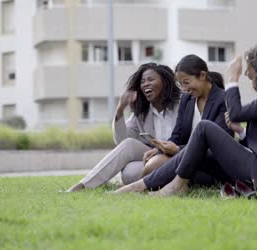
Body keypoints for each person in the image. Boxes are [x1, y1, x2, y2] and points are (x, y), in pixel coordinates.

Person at [115, 39, 257, 195]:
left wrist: (232, 78)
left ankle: (172, 186)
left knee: (204, 127)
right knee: (194, 150)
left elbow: (236, 112)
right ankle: (142, 186)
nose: (247, 74)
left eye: (251, 68)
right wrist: (241, 131)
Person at [65, 63, 181, 192]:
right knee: (129, 171)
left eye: (151, 79)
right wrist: (120, 109)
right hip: (154, 158)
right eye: (142, 82)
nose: (145, 84)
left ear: (165, 82)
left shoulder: (182, 106)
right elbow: (121, 142)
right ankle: (84, 185)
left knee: (143, 169)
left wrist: (162, 150)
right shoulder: (142, 113)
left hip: (179, 153)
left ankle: (156, 182)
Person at [140, 54, 233, 183]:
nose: (184, 88)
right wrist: (160, 149)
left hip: (211, 166)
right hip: (185, 158)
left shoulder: (223, 99)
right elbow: (177, 135)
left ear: (202, 75)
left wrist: (179, 150)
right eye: (180, 84)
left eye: (186, 82)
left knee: (155, 167)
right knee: (153, 164)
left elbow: (219, 149)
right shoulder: (187, 99)